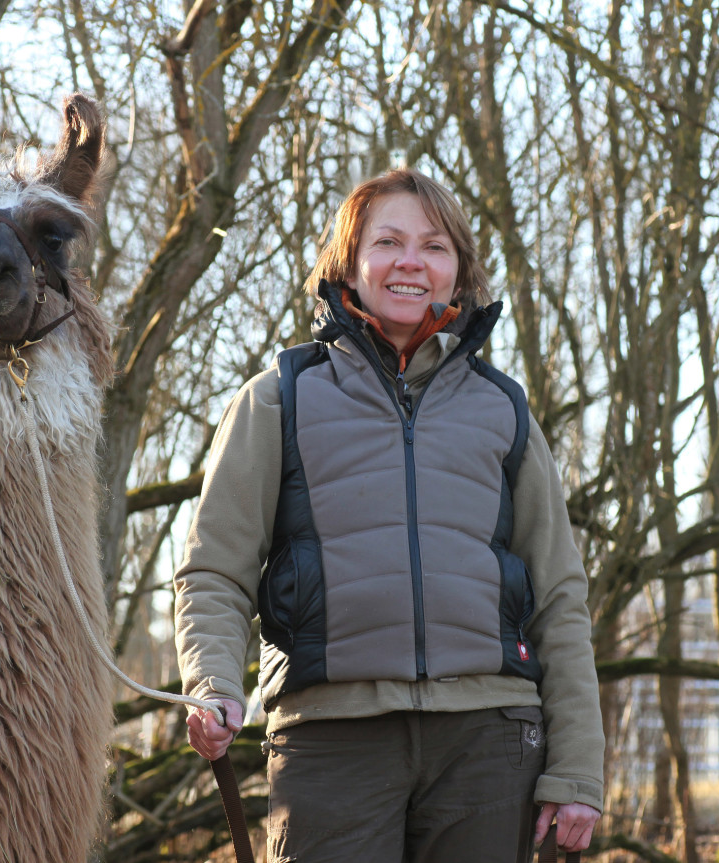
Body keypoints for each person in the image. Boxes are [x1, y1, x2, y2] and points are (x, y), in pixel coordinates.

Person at [174, 168, 604, 862]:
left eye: (434, 246)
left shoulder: (505, 409)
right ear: (350, 261)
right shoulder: (276, 399)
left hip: (490, 742)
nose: (411, 261)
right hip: (329, 741)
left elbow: (559, 597)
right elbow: (213, 572)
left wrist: (577, 769)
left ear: (459, 272)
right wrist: (215, 684)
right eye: (389, 241)